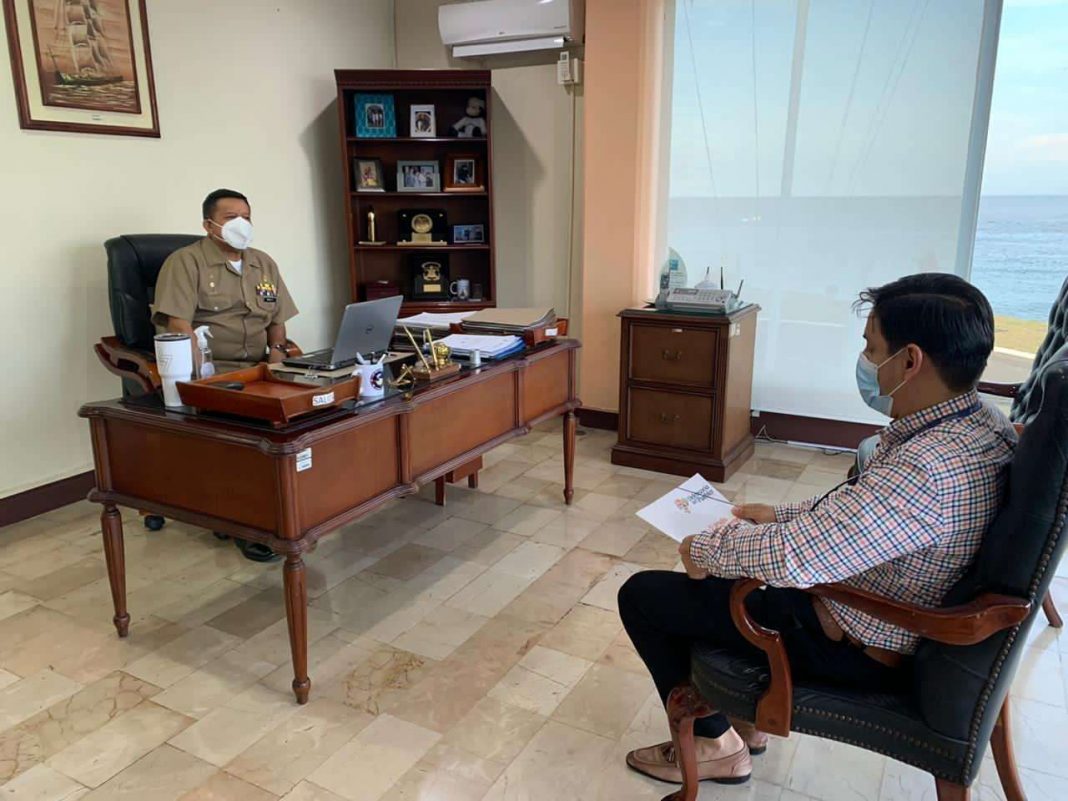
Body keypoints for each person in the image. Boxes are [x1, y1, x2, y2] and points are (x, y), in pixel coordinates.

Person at [618, 273, 1016, 787]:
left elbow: (796, 559)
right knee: (726, 571)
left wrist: (708, 547)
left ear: (910, 361)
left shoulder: (927, 468)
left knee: (645, 596)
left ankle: (715, 744)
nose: (866, 361)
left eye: (872, 348)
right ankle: (747, 724)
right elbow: (863, 513)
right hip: (869, 601)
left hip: (855, 642)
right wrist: (780, 514)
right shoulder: (981, 424)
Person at [152, 188, 298, 562]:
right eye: (232, 217)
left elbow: (277, 321)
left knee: (308, 411)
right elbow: (178, 325)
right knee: (247, 436)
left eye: (246, 217)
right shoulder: (185, 262)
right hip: (215, 372)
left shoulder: (262, 263)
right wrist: (201, 380)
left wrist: (279, 360)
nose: (241, 224)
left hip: (262, 368)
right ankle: (243, 522)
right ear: (209, 225)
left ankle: (291, 508)